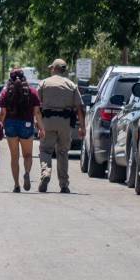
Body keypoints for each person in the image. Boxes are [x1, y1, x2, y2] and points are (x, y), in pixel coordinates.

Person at [37, 59, 86, 193]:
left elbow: (36, 106)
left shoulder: (44, 83)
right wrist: (82, 127)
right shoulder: (71, 85)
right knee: (63, 152)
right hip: (65, 123)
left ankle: (45, 173)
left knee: (46, 150)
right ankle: (64, 184)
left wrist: (38, 123)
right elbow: (80, 107)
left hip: (48, 121)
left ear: (54, 69)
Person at [0, 68, 45, 193]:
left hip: (10, 125)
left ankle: (16, 185)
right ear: (24, 78)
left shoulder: (5, 93)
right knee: (28, 155)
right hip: (27, 125)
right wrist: (41, 128)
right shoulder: (32, 92)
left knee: (14, 157)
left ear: (10, 79)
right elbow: (37, 112)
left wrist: (0, 126)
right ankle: (27, 173)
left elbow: (3, 113)